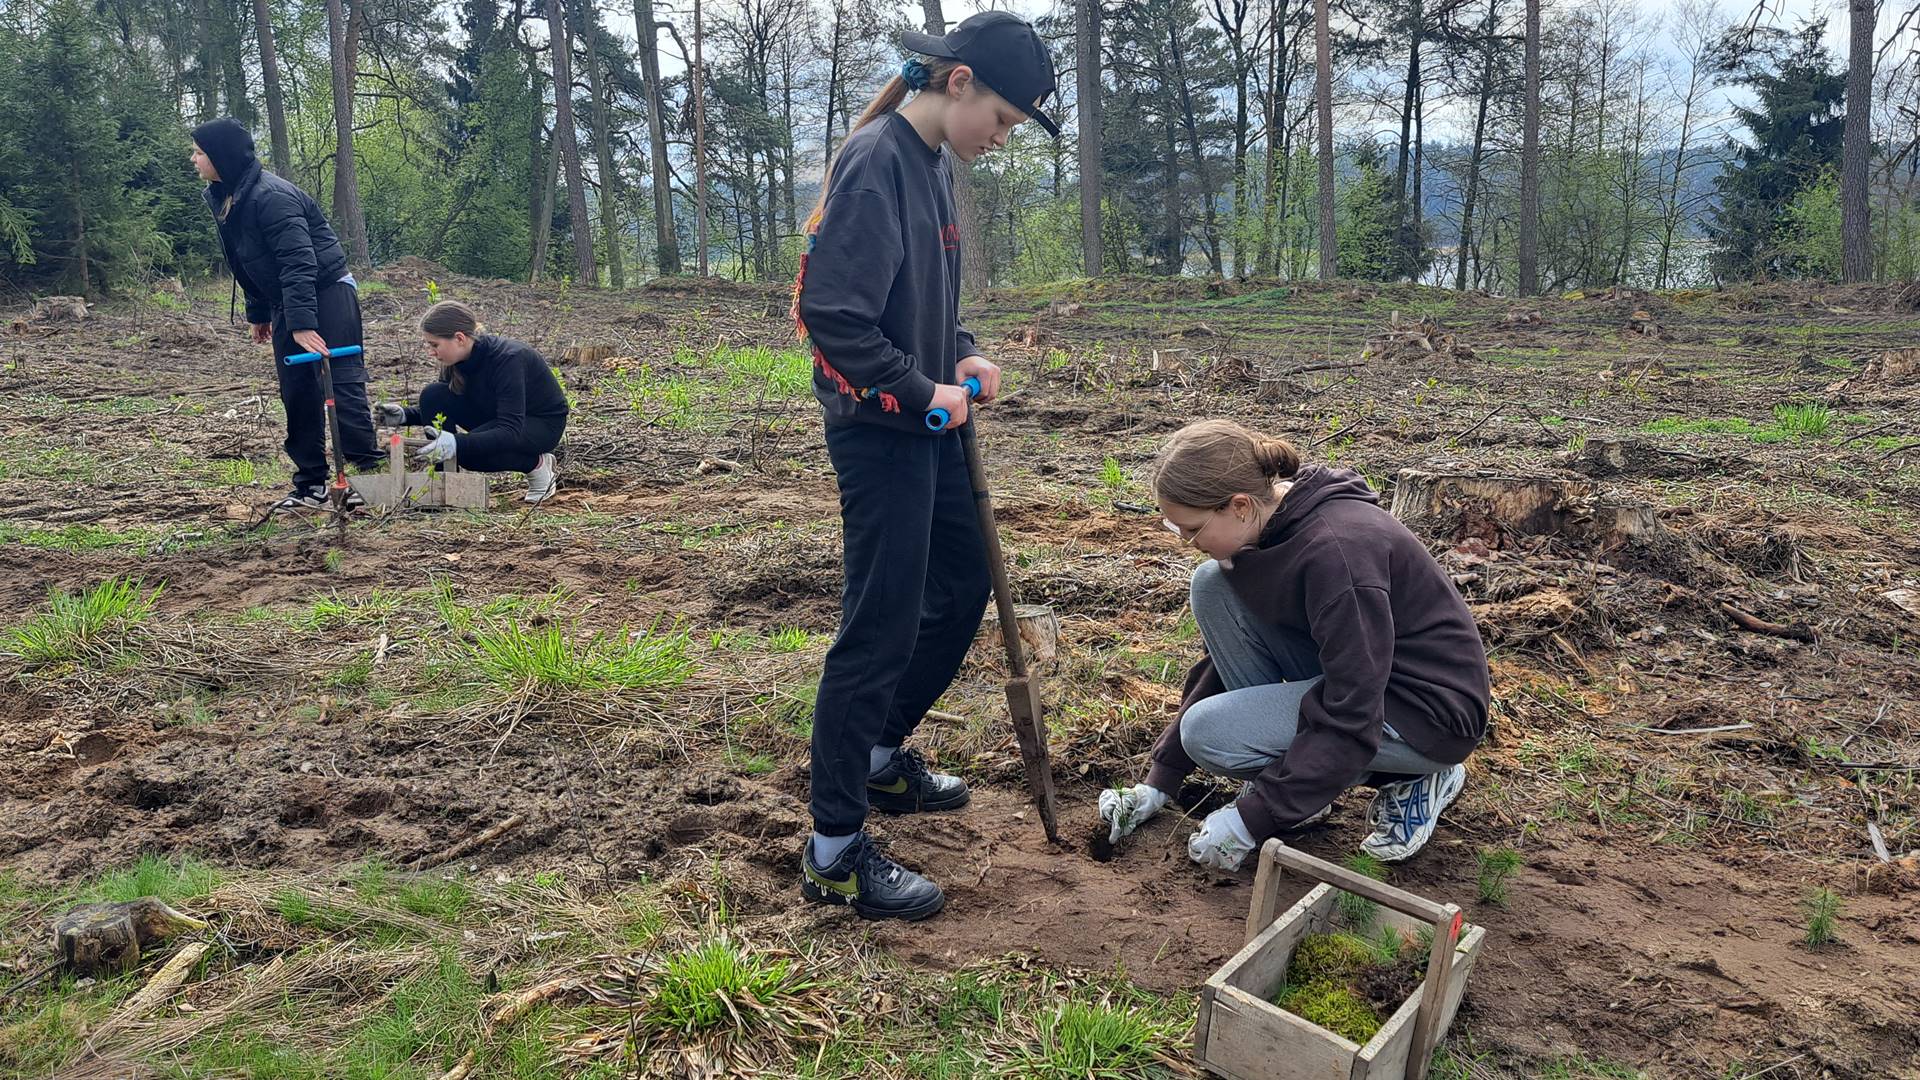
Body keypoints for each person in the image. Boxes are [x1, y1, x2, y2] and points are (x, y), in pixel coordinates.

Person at [791, 12, 1060, 921]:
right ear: (958, 84)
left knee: (958, 584)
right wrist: (918, 392)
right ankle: (833, 849)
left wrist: (966, 353)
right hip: (882, 433)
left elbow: (923, 301)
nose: (1001, 138)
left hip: (928, 424)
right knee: (878, 627)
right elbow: (833, 316)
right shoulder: (875, 162)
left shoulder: (934, 167)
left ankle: (876, 755)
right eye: (1005, 120)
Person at [1100, 420, 1491, 871]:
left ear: (1240, 506)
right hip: (1364, 677)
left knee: (1209, 734)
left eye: (1191, 529)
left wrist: (1255, 817)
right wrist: (1159, 780)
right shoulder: (1272, 528)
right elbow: (1223, 664)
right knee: (1212, 584)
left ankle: (1414, 775)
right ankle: (1307, 786)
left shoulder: (1338, 554)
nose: (1188, 542)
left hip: (1426, 711)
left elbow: (1353, 705)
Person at [191, 118, 382, 513]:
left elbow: (300, 261)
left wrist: (302, 323)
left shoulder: (272, 197)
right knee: (297, 391)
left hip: (328, 292)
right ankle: (310, 486)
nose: (193, 159)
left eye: (199, 153)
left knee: (341, 383)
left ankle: (370, 481)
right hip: (289, 300)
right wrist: (259, 311)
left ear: (221, 158)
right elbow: (247, 261)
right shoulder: (225, 196)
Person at [375, 301, 566, 503]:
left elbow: (510, 430)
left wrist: (458, 443)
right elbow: (448, 405)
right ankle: (443, 482)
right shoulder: (456, 361)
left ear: (459, 338)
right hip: (499, 414)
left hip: (542, 424)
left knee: (468, 452)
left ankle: (537, 464)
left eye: (434, 344)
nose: (431, 352)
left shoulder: (509, 359)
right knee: (433, 394)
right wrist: (406, 416)